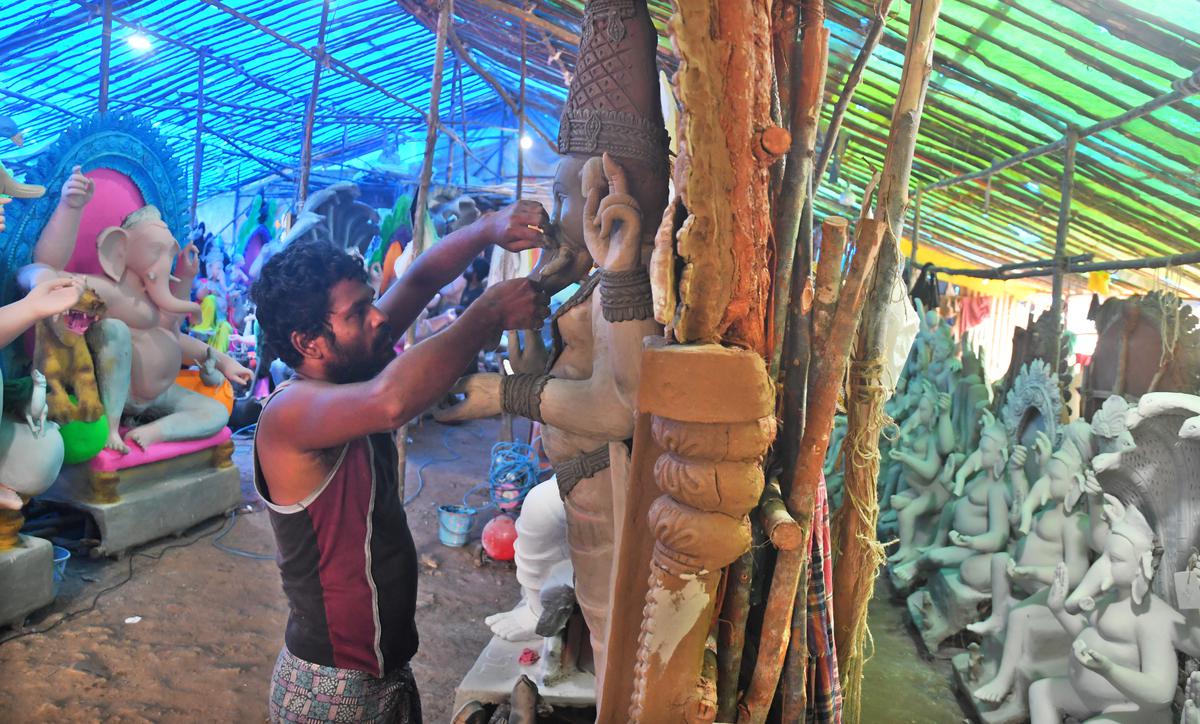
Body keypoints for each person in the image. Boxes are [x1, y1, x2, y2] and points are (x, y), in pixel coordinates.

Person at [249, 199, 550, 723]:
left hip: (382, 670)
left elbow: (419, 280)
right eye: (357, 313)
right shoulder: (291, 413)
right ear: (308, 343)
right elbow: (392, 403)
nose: (378, 317)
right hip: (330, 686)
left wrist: (486, 229)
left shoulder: (351, 362)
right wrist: (490, 313)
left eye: (370, 300)